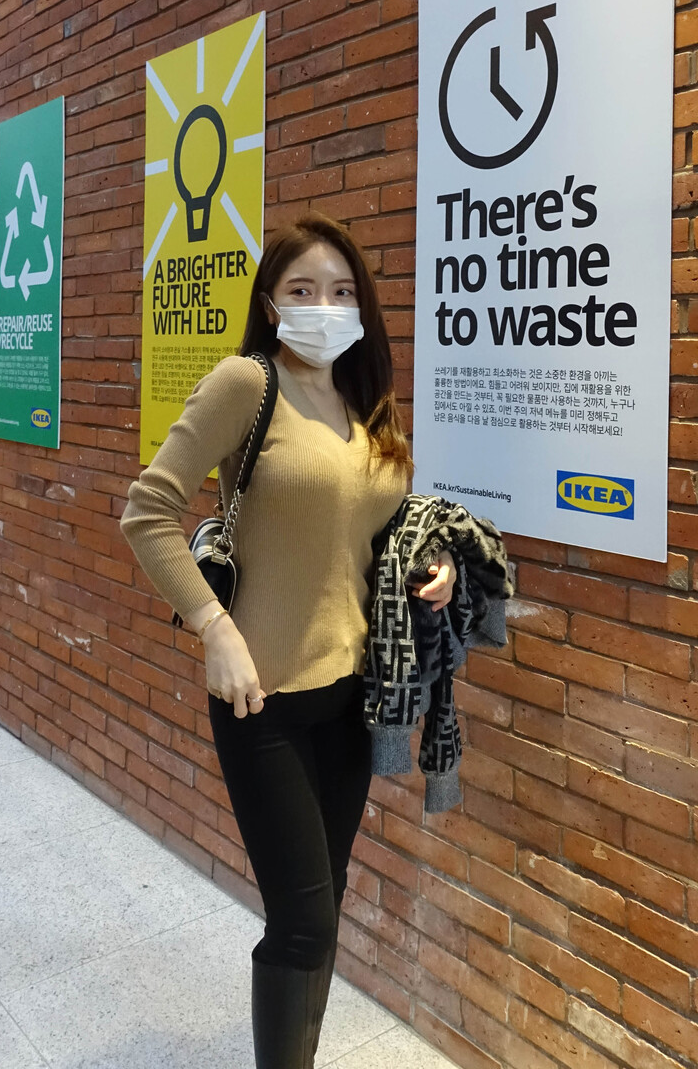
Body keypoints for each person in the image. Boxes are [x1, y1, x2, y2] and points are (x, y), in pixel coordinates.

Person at [120, 212, 455, 1068]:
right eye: (303, 289)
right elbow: (147, 512)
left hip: (352, 694)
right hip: (260, 695)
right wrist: (213, 627)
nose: (325, 307)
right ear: (271, 303)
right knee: (301, 924)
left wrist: (433, 562)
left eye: (342, 292)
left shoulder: (363, 404)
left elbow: (375, 528)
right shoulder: (246, 383)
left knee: (324, 908)